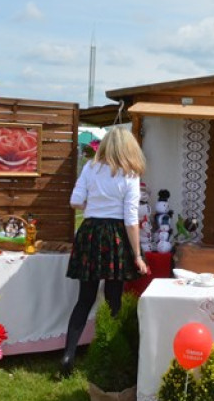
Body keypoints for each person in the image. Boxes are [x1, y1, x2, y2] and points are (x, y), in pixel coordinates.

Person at [60, 128, 149, 378]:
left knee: (84, 299)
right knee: (113, 301)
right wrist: (138, 255)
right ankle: (109, 355)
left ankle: (68, 356)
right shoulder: (130, 174)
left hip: (90, 232)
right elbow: (131, 220)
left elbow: (75, 201)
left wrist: (95, 207)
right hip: (115, 236)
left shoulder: (90, 167)